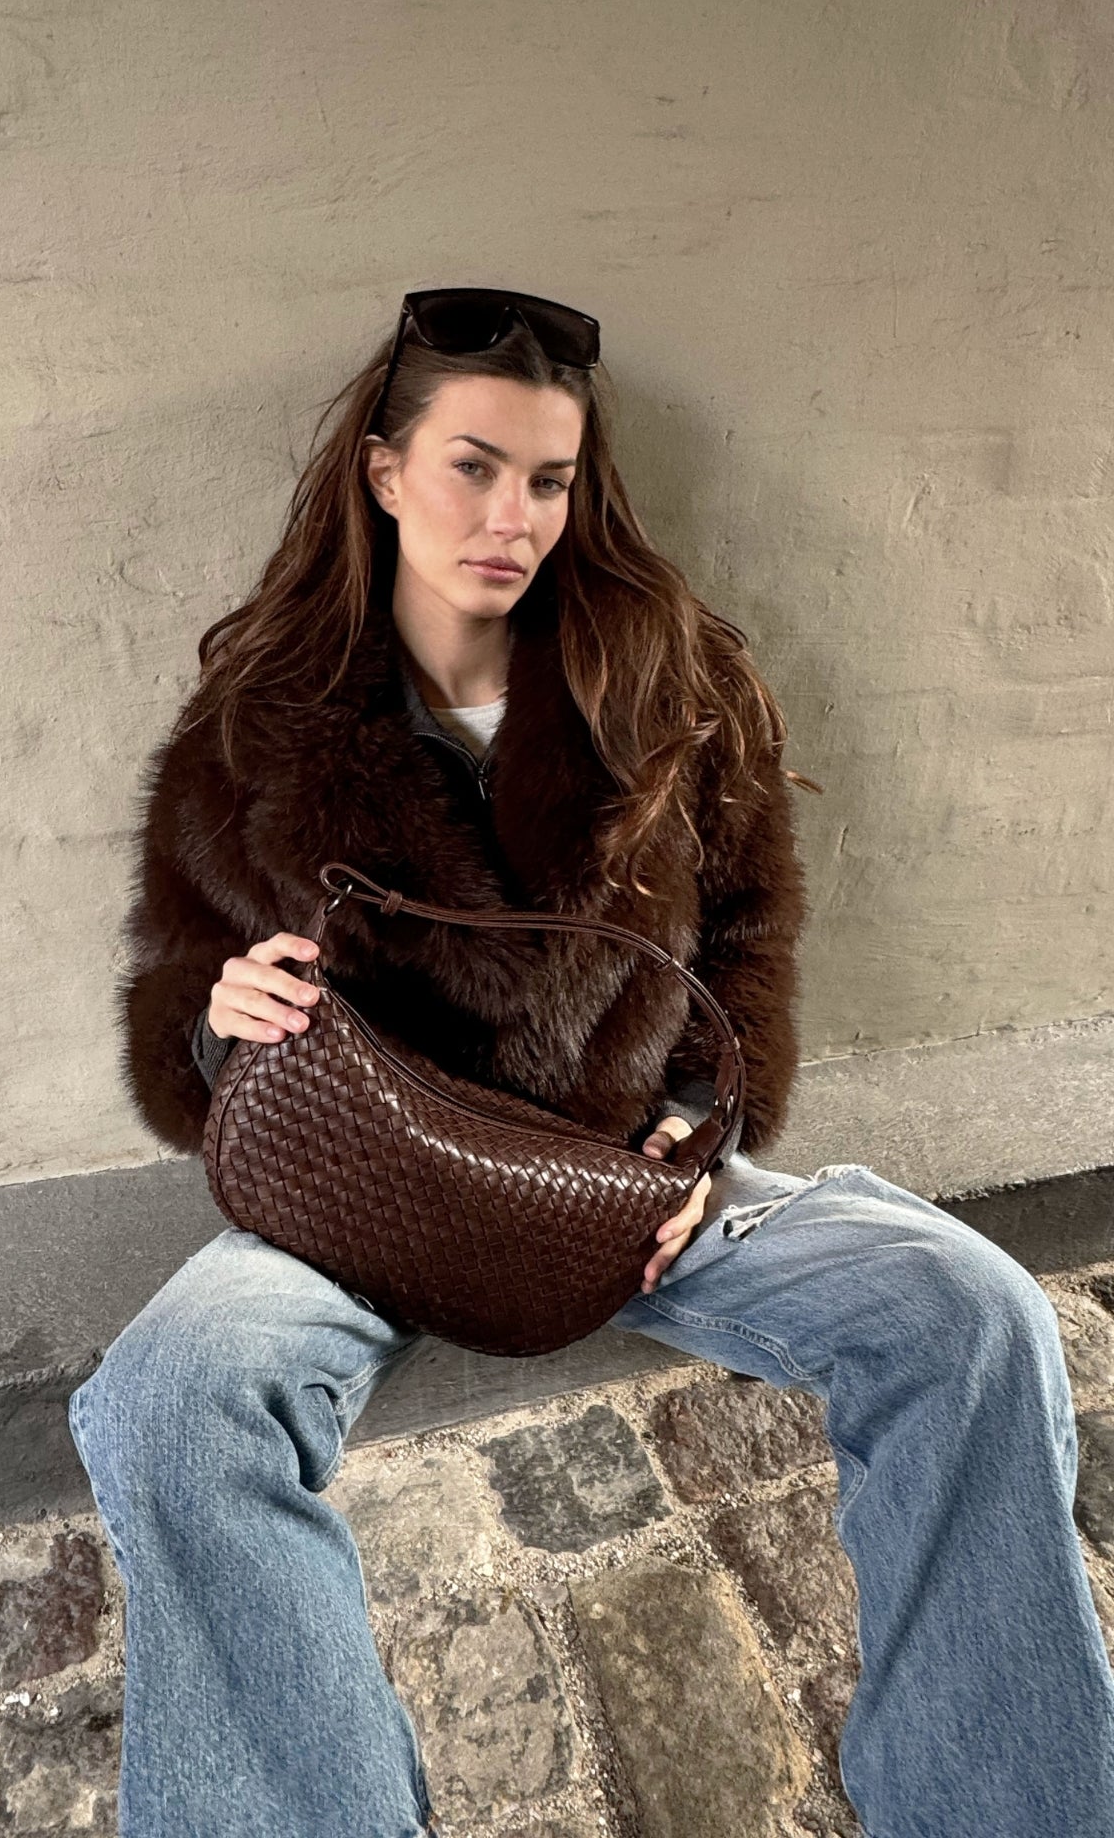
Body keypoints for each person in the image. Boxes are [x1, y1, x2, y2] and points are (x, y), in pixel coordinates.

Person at [68, 288, 1114, 1838]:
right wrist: (220, 1021)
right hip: (370, 1195)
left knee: (972, 1311)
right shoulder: (260, 727)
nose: (514, 517)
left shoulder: (663, 680)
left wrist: (696, 1126)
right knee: (167, 1402)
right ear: (383, 471)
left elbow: (746, 945)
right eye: (474, 467)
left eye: (548, 480)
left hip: (631, 1180)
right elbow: (176, 993)